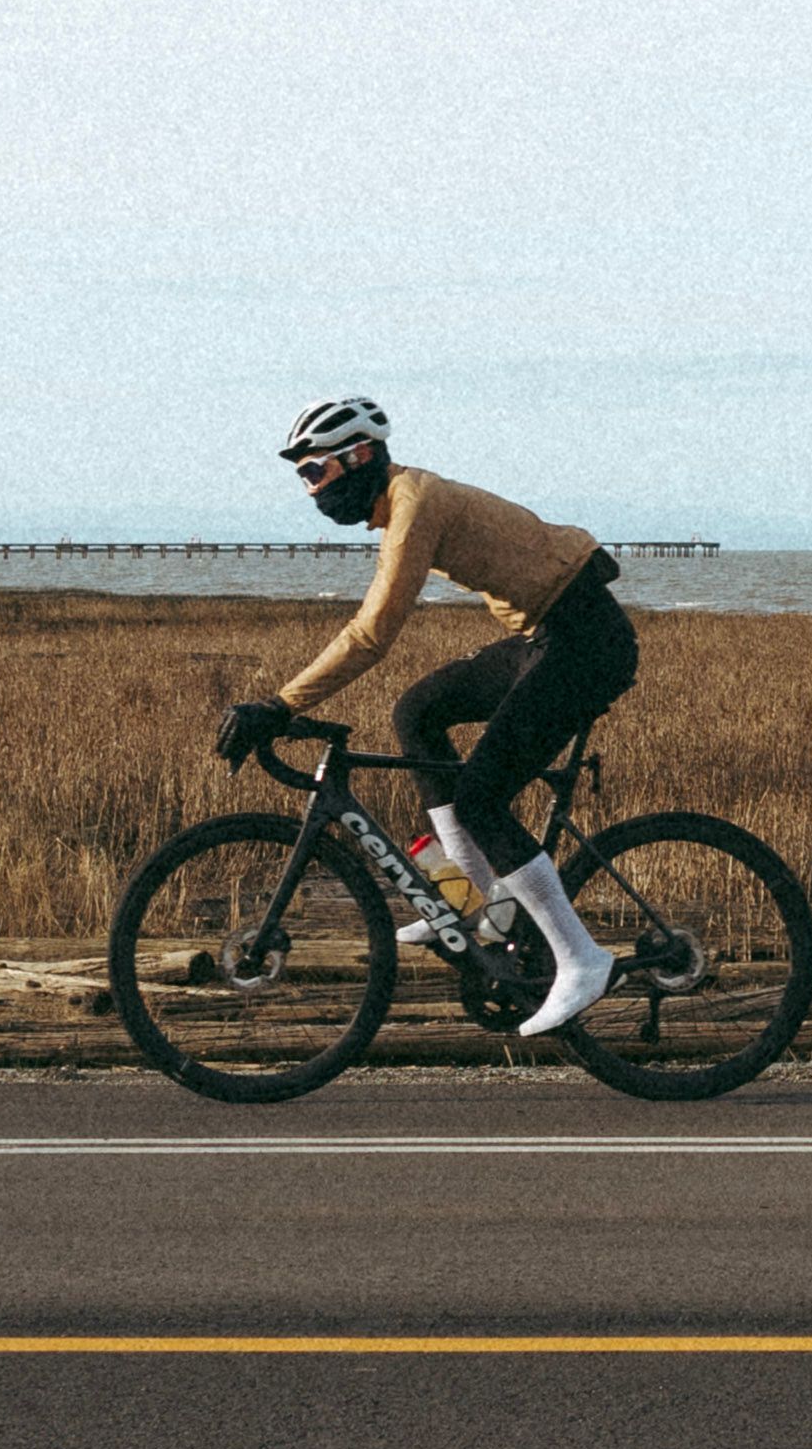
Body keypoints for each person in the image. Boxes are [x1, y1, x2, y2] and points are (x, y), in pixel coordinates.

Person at [220, 395, 642, 1041]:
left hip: (583, 640)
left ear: (359, 456)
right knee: (418, 711)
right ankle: (469, 891)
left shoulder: (414, 503)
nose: (310, 492)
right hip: (547, 634)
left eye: (314, 473)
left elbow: (372, 633)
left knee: (481, 798)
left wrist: (280, 704)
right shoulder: (402, 505)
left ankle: (581, 960)